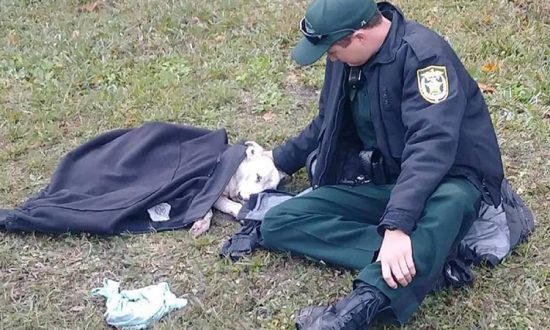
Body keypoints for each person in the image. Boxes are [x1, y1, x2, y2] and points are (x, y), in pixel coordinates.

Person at [260, 0, 504, 329]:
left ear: (358, 36)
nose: (328, 58)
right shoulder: (344, 58)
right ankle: (423, 258)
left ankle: (359, 308)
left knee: (452, 202)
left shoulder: (425, 58)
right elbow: (326, 122)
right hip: (387, 182)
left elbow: (431, 146)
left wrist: (398, 225)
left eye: (330, 50)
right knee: (278, 222)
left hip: (448, 178)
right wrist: (277, 161)